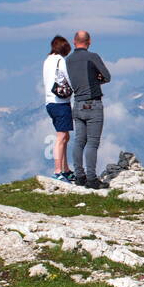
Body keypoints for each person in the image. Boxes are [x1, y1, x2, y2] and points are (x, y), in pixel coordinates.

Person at [65, 29, 112, 188]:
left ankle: (79, 176)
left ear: (74, 41)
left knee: (79, 141)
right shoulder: (93, 57)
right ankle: (92, 179)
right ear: (89, 41)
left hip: (77, 104)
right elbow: (107, 76)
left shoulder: (68, 60)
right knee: (92, 143)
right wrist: (97, 80)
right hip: (93, 104)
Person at [42, 35, 75, 183]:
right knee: (61, 138)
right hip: (60, 102)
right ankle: (58, 171)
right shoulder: (61, 60)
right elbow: (68, 77)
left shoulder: (47, 60)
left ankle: (65, 169)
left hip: (49, 102)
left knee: (64, 137)